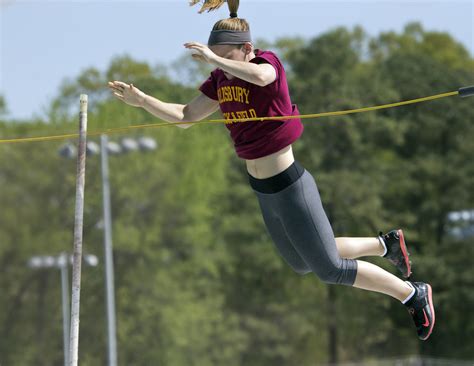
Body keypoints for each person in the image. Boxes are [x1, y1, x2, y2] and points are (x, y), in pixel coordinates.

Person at [108, 0, 435, 340]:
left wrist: (214, 58)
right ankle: (385, 245)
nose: (219, 64)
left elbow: (262, 77)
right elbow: (186, 116)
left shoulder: (267, 63)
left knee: (329, 269)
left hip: (291, 187)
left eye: (226, 56)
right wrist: (144, 101)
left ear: (247, 49)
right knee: (302, 262)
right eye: (215, 57)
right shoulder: (221, 78)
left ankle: (412, 294)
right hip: (263, 192)